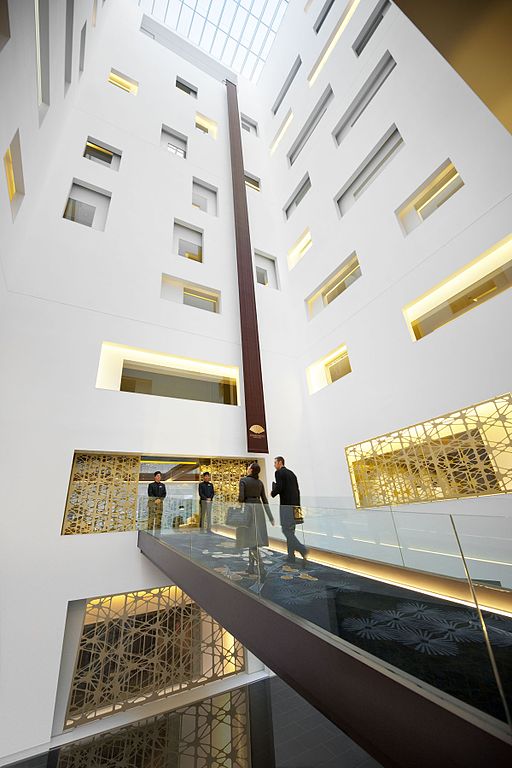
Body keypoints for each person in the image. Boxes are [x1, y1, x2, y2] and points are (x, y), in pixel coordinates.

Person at [238, 463, 275, 577]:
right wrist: (270, 517)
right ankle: (250, 567)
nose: (247, 469)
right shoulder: (260, 483)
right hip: (259, 511)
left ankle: (261, 567)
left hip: (249, 510)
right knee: (253, 540)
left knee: (251, 540)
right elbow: (264, 500)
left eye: (248, 467)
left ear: (251, 470)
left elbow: (241, 498)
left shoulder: (243, 480)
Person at [271, 456, 308, 566]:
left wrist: (272, 493)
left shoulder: (279, 473)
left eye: (275, 463)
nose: (274, 465)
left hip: (286, 507)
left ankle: (302, 549)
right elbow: (297, 490)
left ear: (280, 462)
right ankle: (291, 556)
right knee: (291, 531)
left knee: (286, 530)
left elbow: (280, 487)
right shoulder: (292, 474)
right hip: (295, 506)